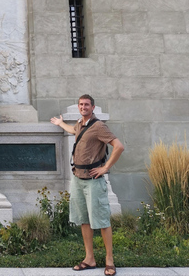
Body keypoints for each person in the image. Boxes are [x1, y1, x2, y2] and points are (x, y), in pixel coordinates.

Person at [50, 94, 124, 276]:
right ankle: (89, 258)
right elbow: (74, 131)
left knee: (102, 221)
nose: (83, 107)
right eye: (81, 104)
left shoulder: (98, 126)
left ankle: (109, 260)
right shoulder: (80, 124)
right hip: (78, 179)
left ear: (93, 107)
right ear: (78, 106)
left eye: (87, 105)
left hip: (93, 181)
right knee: (84, 220)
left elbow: (119, 146)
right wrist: (60, 124)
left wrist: (105, 167)